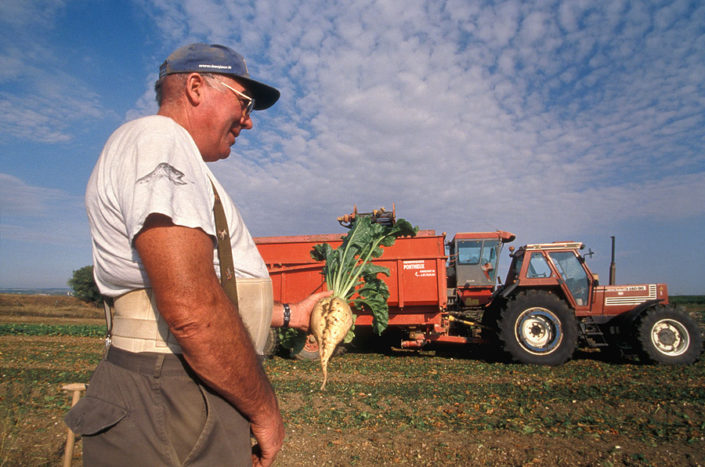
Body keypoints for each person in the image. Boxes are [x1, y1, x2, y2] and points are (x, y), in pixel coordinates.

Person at [65, 43, 330, 466]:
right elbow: (190, 308)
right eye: (244, 103)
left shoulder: (168, 151)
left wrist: (288, 314)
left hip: (176, 385)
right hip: (170, 393)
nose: (248, 121)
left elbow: (190, 289)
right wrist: (265, 411)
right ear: (194, 87)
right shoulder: (160, 139)